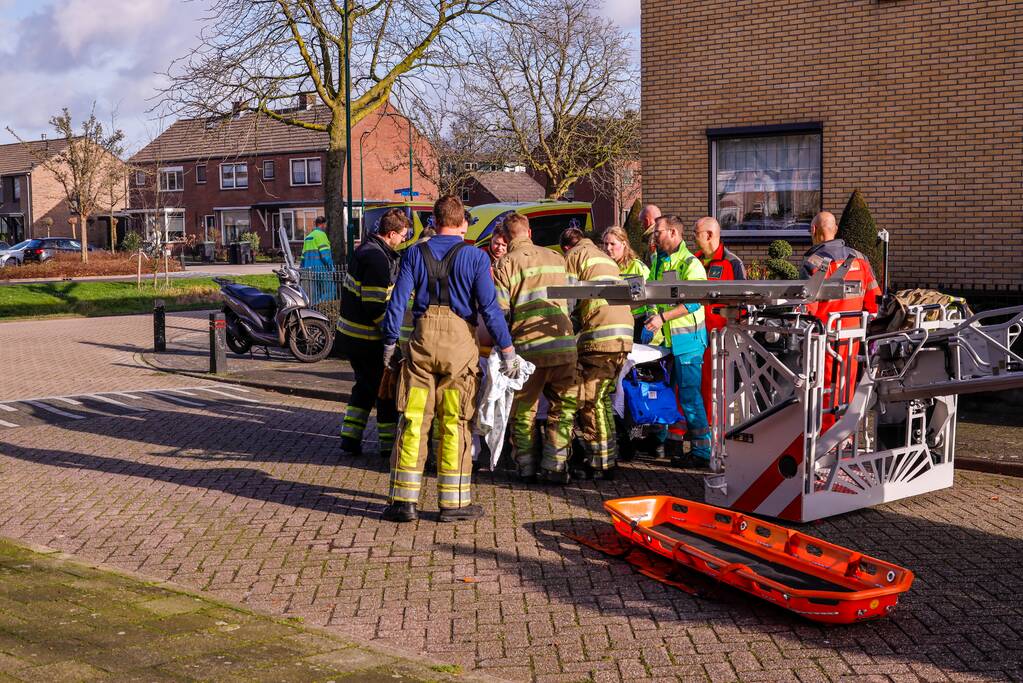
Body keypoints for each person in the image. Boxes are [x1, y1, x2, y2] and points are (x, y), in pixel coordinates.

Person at [380, 195, 518, 523]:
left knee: (413, 419)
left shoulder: (414, 252)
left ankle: (403, 502)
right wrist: (507, 349)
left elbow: (397, 303)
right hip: (459, 347)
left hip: (422, 341)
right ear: (463, 224)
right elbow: (490, 309)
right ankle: (454, 505)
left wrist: (388, 343)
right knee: (455, 422)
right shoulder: (474, 257)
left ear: (433, 221)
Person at [493, 214, 578, 483]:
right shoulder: (556, 258)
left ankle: (527, 468)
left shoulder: (505, 263)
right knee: (563, 408)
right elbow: (572, 302)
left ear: (506, 238)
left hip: (528, 350)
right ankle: (555, 466)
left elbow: (501, 312)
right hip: (563, 345)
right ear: (529, 232)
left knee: (524, 410)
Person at [561, 227, 634, 479]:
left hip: (601, 339)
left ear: (567, 249)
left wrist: (564, 333)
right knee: (602, 399)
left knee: (592, 400)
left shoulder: (574, 256)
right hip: (622, 336)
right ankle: (606, 458)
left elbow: (568, 300)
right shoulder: (604, 258)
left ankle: (602, 464)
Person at [800, 211, 882, 431]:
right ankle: (844, 435)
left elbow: (806, 307)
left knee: (824, 388)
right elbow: (874, 300)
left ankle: (825, 439)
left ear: (814, 231)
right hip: (853, 336)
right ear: (835, 230)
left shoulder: (813, 262)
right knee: (846, 388)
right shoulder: (860, 259)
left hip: (824, 338)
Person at [337, 209, 408, 457]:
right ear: (391, 234)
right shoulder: (377, 260)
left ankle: (350, 436)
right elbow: (375, 304)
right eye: (402, 236)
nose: (403, 241)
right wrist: (392, 336)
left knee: (365, 387)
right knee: (384, 390)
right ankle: (388, 446)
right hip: (367, 339)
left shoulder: (366, 249)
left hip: (351, 336)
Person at [643, 215, 711, 468]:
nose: (654, 237)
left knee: (690, 398)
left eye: (658, 232)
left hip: (688, 342)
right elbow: (654, 294)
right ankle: (659, 442)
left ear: (673, 233)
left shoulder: (690, 263)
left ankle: (702, 453)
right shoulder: (659, 261)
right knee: (662, 393)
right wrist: (652, 314)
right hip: (667, 341)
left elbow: (695, 301)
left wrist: (661, 317)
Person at [692, 217, 745, 426]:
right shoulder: (693, 260)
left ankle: (718, 428)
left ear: (709, 235)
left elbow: (743, 301)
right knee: (695, 384)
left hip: (720, 337)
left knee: (717, 384)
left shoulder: (732, 263)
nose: (693, 238)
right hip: (695, 334)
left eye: (696, 233)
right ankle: (698, 428)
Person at [601, 225, 651, 341]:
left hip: (638, 321)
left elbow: (650, 298)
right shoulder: (605, 267)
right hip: (615, 321)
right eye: (605, 244)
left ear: (624, 244)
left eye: (612, 244)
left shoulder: (636, 266)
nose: (608, 248)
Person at [300, 216, 335, 303]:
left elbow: (303, 257)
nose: (325, 227)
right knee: (329, 291)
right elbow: (325, 255)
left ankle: (314, 311)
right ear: (322, 224)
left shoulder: (308, 237)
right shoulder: (321, 235)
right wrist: (331, 268)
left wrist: (302, 270)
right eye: (325, 224)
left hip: (309, 271)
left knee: (314, 294)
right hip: (322, 270)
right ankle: (323, 310)